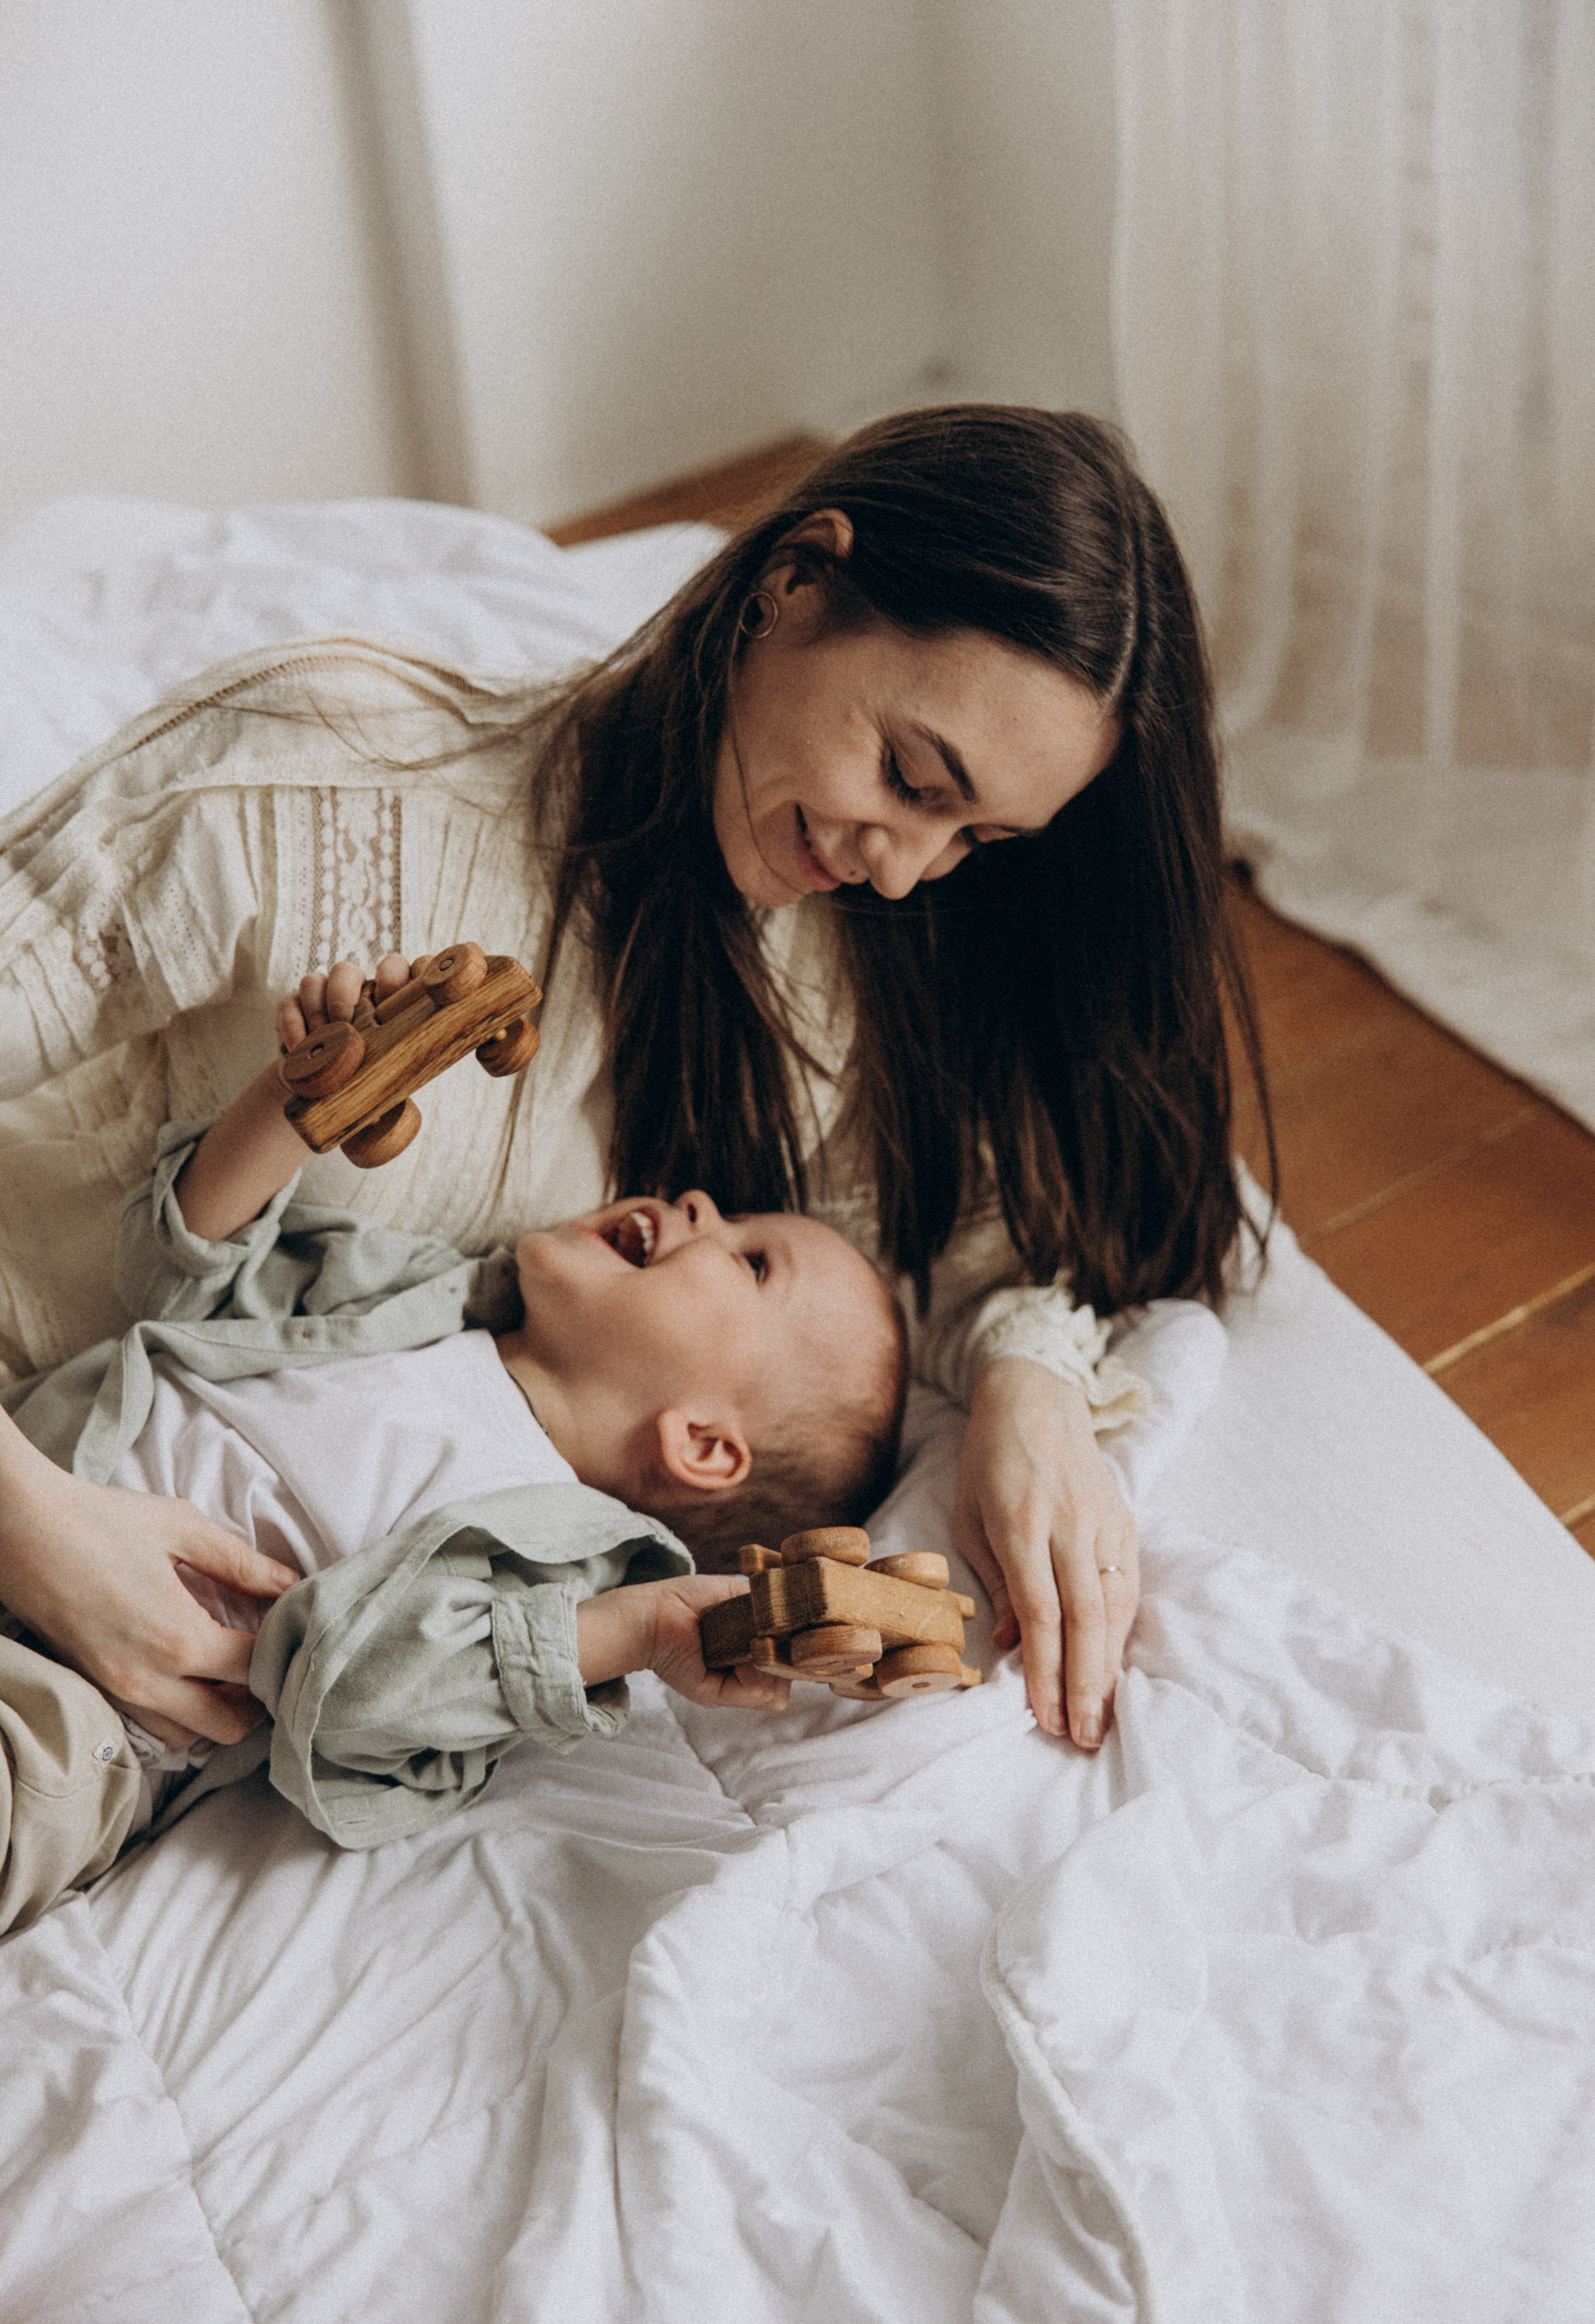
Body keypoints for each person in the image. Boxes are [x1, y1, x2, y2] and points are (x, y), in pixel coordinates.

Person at [0, 404, 1270, 1758]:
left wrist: (1030, 1396)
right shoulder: (311, 793)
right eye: (906, 775)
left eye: (970, 838)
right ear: (791, 583)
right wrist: (38, 1528)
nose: (901, 866)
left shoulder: (812, 977)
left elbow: (936, 1244)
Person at [0, 969, 907, 1932]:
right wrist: (296, 1103)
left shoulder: (561, 1559)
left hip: (80, 1720)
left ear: (704, 1445)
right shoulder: (425, 1303)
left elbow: (354, 1698)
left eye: (751, 1258)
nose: (697, 1201)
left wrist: (635, 1632)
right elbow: (176, 1278)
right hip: (40, 1466)